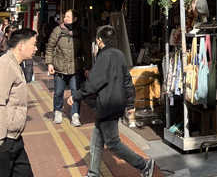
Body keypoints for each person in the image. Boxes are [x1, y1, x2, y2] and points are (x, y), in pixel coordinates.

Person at [67, 25, 156, 177]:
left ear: (99, 40)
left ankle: (143, 165)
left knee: (113, 143)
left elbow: (94, 83)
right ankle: (93, 172)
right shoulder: (119, 54)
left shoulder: (104, 57)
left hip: (107, 105)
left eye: (97, 40)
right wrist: (130, 102)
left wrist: (76, 95)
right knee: (97, 140)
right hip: (116, 104)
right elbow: (127, 80)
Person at [0, 28, 37, 177]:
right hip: (0, 138)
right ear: (21, 46)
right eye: (33, 44)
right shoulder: (4, 66)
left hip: (13, 137)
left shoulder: (14, 64)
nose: (36, 48)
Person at [46, 9, 82, 126]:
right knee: (58, 92)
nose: (65, 19)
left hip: (75, 68)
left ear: (75, 19)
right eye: (65, 16)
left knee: (75, 92)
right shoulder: (57, 30)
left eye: (68, 17)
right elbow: (50, 47)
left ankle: (75, 115)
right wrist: (49, 63)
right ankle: (57, 111)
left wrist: (87, 67)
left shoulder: (80, 32)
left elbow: (86, 50)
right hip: (59, 67)